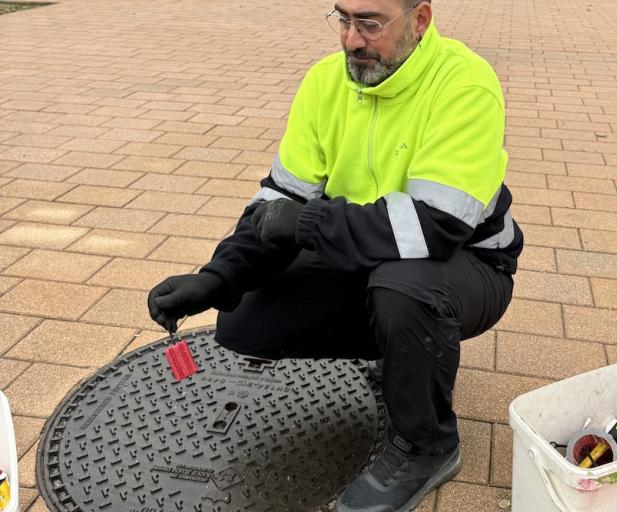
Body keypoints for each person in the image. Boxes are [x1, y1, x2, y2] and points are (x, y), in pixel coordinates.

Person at [147, 0, 523, 510]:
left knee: (404, 291)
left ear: (420, 20)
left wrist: (308, 223)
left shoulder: (464, 85)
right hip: (377, 254)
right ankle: (400, 352)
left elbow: (433, 228)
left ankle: (427, 444)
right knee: (245, 318)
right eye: (343, 19)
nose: (351, 39)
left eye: (370, 23)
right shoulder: (326, 81)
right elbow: (280, 199)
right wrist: (220, 276)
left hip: (470, 264)